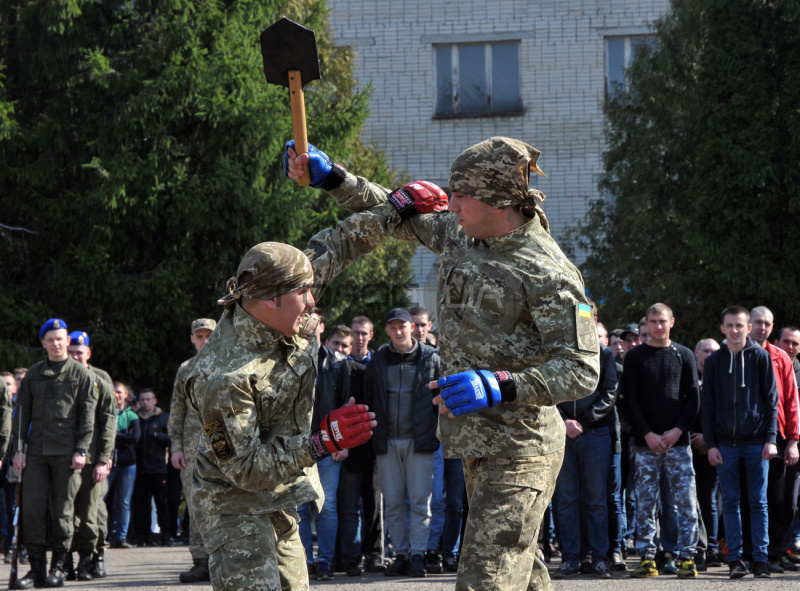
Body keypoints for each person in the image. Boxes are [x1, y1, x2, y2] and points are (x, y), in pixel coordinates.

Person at [286, 136, 600, 590]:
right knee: (521, 572)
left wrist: (500, 384)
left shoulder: (547, 272)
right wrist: (333, 177)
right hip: (475, 443)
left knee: (484, 580)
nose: (449, 204)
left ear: (495, 199)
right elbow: (397, 211)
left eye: (459, 196)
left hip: (521, 450)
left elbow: (581, 368)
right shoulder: (463, 232)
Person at [187, 179, 447, 589]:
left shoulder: (281, 285)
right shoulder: (224, 375)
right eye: (304, 293)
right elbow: (245, 467)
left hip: (283, 492)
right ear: (270, 299)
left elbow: (342, 242)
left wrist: (395, 208)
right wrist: (321, 442)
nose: (312, 301)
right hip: (233, 503)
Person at [11, 318, 98, 589]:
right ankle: (36, 570)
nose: (56, 343)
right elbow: (21, 416)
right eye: (50, 339)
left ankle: (58, 568)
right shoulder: (34, 374)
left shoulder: (82, 375)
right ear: (43, 343)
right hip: (35, 452)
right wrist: (18, 450)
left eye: (60, 338)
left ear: (67, 341)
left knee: (63, 511)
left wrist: (82, 449)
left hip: (67, 454)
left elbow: (88, 417)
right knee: (33, 510)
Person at [623, 304, 700, 579]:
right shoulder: (635, 358)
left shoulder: (685, 355)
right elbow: (629, 400)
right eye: (653, 321)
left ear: (672, 322)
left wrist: (677, 431)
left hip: (677, 443)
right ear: (648, 323)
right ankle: (646, 557)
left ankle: (687, 558)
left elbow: (693, 398)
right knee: (645, 502)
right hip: (646, 444)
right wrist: (648, 433)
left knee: (685, 502)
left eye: (662, 321)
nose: (658, 326)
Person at [702, 306, 779, 579]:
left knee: (759, 502)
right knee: (731, 502)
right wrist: (711, 444)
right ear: (722, 328)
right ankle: (735, 559)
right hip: (724, 444)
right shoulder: (713, 362)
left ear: (748, 328)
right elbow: (707, 406)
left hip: (757, 443)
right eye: (729, 325)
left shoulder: (760, 357)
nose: (734, 330)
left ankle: (760, 559)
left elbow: (772, 401)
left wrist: (771, 439)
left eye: (739, 325)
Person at [365, 308, 440, 578]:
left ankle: (418, 555)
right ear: (387, 331)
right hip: (387, 441)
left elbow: (441, 399)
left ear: (412, 327)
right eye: (393, 327)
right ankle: (401, 554)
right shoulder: (378, 360)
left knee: (421, 501)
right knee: (393, 502)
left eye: (403, 326)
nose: (398, 331)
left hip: (419, 440)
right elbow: (370, 398)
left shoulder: (431, 358)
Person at [552, 322, 618, 578]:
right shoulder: (556, 353)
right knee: (566, 499)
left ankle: (600, 558)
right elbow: (549, 392)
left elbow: (610, 392)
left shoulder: (605, 354)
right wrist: (563, 421)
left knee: (597, 500)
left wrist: (585, 421)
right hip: (563, 433)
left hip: (596, 434)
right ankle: (570, 559)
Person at [298, 324, 353, 580]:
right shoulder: (289, 358)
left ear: (320, 327)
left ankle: (324, 563)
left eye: (313, 322)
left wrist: (342, 443)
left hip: (328, 444)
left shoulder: (339, 363)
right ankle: (303, 562)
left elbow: (346, 405)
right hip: (295, 446)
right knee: (298, 507)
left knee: (326, 506)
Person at [749, 307, 800, 571]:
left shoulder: (780, 357)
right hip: (744, 437)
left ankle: (776, 552)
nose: (762, 327)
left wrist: (793, 440)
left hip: (777, 438)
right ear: (749, 323)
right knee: (749, 498)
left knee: (777, 499)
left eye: (767, 323)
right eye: (758, 322)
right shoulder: (735, 355)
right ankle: (749, 552)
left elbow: (791, 402)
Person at [167, 317, 216, 583]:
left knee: (224, 503)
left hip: (225, 450)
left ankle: (225, 558)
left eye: (209, 335)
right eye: (200, 336)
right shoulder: (186, 369)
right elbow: (177, 411)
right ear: (192, 339)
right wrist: (175, 446)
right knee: (196, 505)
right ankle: (200, 561)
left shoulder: (230, 363)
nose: (205, 340)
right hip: (192, 448)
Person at [66, 331, 116, 580]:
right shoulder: (63, 377)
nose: (76, 357)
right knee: (67, 510)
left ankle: (97, 555)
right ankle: (68, 558)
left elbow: (108, 422)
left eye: (80, 353)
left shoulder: (101, 378)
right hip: (68, 455)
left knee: (95, 510)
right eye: (72, 352)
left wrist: (105, 458)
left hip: (95, 455)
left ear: (89, 354)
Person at [338, 316, 385, 575]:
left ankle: (374, 554)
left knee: (373, 504)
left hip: (373, 443)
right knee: (348, 505)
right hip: (347, 443)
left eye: (363, 333)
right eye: (355, 333)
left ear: (371, 335)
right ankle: (349, 557)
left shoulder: (379, 363)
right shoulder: (339, 365)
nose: (358, 338)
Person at [690, 338, 722, 570]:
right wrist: (692, 436)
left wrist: (708, 440)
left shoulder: (722, 380)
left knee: (710, 500)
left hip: (712, 447)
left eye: (714, 351)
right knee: (688, 500)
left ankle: (712, 546)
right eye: (706, 351)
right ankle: (692, 547)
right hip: (687, 445)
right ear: (696, 353)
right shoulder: (689, 377)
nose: (710, 355)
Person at [131, 388, 171, 547]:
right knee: (141, 504)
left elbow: (171, 439)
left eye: (148, 399)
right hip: (139, 467)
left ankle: (166, 535)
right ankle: (143, 535)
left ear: (155, 401)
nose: (145, 402)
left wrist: (157, 436)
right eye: (142, 399)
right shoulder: (135, 418)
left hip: (158, 468)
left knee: (162, 503)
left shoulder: (163, 418)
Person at [107, 381, 140, 548]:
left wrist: (114, 435)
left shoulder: (132, 416)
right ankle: (104, 535)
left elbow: (135, 438)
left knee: (123, 501)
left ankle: (121, 537)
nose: (116, 395)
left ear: (126, 394)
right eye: (114, 392)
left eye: (119, 392)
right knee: (103, 499)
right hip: (108, 462)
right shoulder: (107, 413)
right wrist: (122, 436)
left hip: (127, 464)